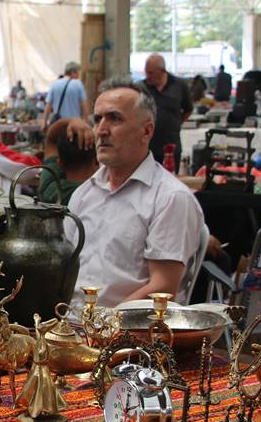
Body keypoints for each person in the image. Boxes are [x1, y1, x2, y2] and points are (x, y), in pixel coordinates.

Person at [65, 76, 204, 311]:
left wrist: (100, 326)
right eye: (97, 119)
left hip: (129, 335)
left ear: (146, 131)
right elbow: (64, 267)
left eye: (114, 118)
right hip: (71, 327)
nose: (101, 130)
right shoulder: (85, 193)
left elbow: (163, 288)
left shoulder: (170, 198)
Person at [143, 53, 192, 164]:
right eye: (146, 72)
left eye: (151, 73)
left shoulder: (179, 85)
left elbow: (188, 109)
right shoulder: (141, 87)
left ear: (162, 71)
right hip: (147, 147)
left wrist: (176, 123)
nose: (147, 76)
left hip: (171, 146)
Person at [37, 118, 98, 205]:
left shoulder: (50, 190)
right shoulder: (101, 195)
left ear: (59, 163)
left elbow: (50, 139)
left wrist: (73, 120)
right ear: (96, 161)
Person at [43, 62, 89, 129]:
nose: (78, 75)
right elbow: (84, 105)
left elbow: (48, 106)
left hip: (59, 124)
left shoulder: (54, 84)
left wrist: (45, 122)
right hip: (75, 124)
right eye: (77, 73)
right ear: (73, 72)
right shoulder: (78, 84)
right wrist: (86, 122)